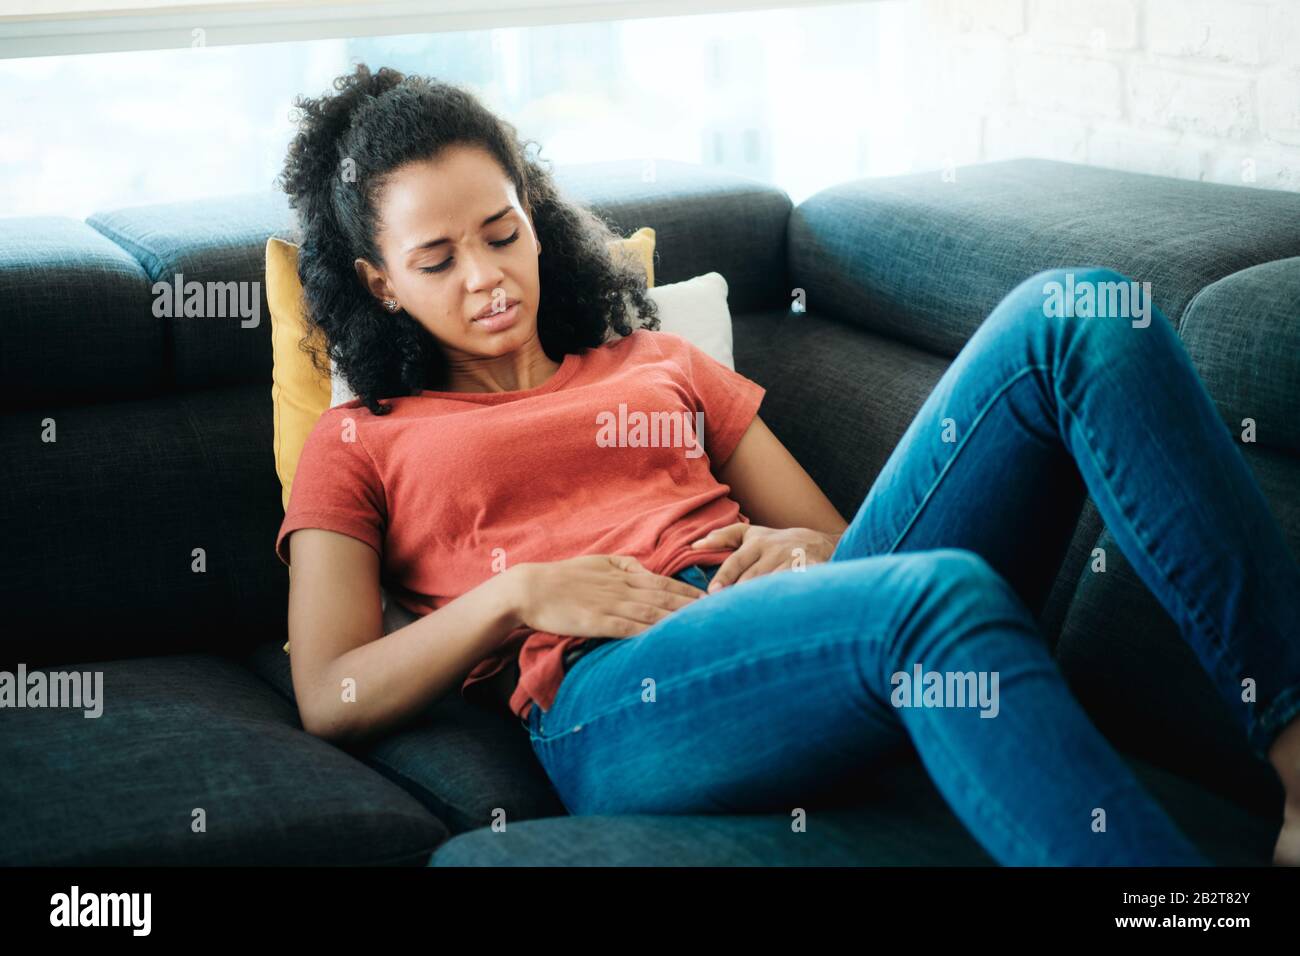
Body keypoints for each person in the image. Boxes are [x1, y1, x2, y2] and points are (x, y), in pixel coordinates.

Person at [274, 63, 1300, 866]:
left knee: (1078, 310)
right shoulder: (362, 437)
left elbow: (846, 549)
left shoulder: (658, 361)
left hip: (800, 632)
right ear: (381, 283)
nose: (488, 277)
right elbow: (331, 689)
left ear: (533, 217)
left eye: (502, 233)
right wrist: (519, 595)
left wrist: (799, 548)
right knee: (935, 597)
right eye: (439, 260)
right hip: (619, 699)